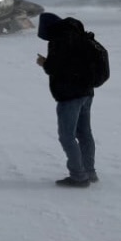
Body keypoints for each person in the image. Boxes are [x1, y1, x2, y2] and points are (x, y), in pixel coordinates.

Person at [36, 12, 97, 188]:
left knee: (66, 136)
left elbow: (55, 67)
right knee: (85, 133)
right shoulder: (77, 34)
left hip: (70, 94)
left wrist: (44, 63)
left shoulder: (59, 40)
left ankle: (79, 176)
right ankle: (89, 171)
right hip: (87, 91)